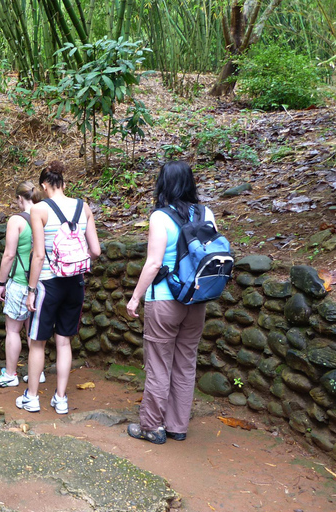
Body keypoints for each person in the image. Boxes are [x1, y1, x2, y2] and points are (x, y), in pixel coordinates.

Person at [125, 160, 214, 444]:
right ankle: (177, 425)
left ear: (163, 184)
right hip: (196, 298)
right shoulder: (206, 213)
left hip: (164, 299)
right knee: (186, 362)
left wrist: (135, 297)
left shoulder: (160, 217)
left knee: (159, 364)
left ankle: (152, 426)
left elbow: (153, 264)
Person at [17, 161, 101, 413]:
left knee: (37, 342)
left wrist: (31, 290)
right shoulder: (83, 206)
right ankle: (61, 399)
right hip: (75, 283)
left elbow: (39, 255)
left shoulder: (39, 210)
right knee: (64, 342)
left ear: (43, 185)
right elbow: (95, 250)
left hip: (47, 284)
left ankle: (32, 397)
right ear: (64, 183)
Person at [0, 181, 42, 387]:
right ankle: (37, 373)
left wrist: (1, 282)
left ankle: (11, 374)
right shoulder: (44, 215)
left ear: (20, 198)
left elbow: (9, 254)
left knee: (13, 330)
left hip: (20, 281)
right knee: (33, 331)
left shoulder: (17, 220)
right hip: (39, 282)